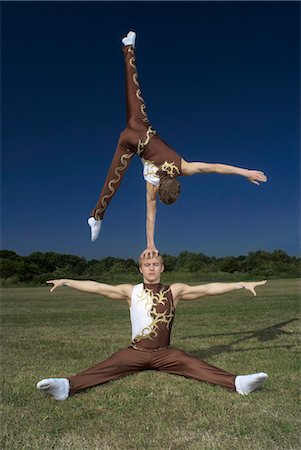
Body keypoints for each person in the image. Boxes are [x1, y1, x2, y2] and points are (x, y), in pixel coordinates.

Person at [88, 31, 267, 258]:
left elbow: (215, 167)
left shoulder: (183, 167)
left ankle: (129, 48)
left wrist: (246, 172)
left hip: (139, 124)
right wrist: (150, 244)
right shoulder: (152, 186)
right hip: (128, 144)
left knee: (133, 89)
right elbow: (150, 217)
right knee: (112, 182)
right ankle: (97, 216)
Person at [37, 254, 268, 401]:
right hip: (135, 352)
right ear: (140, 269)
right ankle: (66, 387)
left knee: (193, 363)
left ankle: (238, 383)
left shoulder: (174, 291)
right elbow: (97, 287)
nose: (151, 268)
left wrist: (241, 284)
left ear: (162, 268)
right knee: (109, 365)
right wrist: (67, 281)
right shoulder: (130, 291)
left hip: (165, 354)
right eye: (146, 264)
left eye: (155, 264)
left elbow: (208, 289)